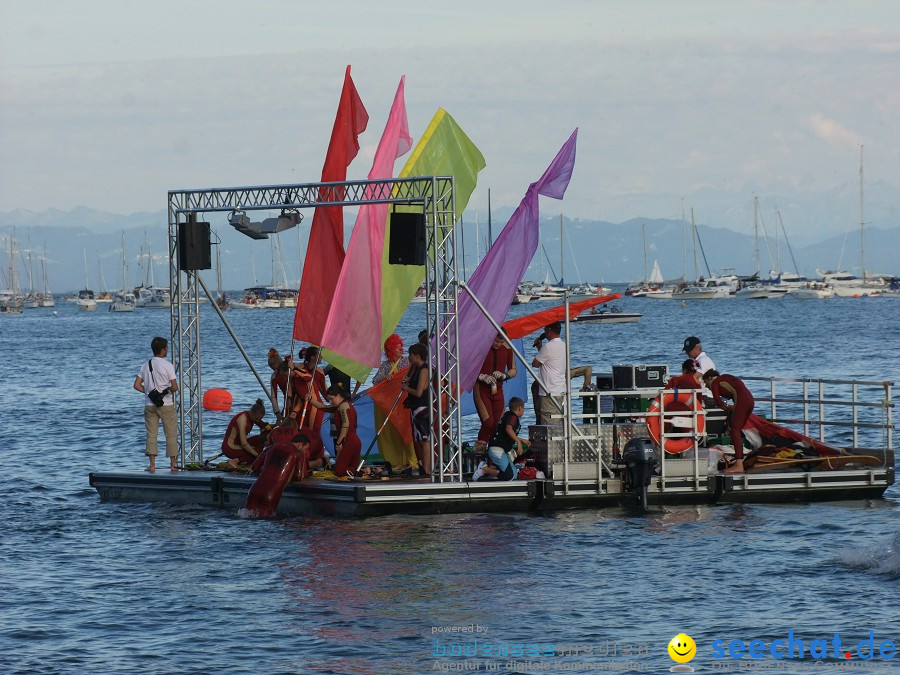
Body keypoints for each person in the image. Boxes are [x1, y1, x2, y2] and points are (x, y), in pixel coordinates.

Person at [372, 334, 418, 474]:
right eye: (398, 347)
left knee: (406, 431)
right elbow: (375, 381)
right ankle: (397, 462)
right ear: (391, 349)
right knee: (392, 434)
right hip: (390, 404)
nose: (401, 349)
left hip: (403, 403)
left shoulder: (406, 362)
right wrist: (385, 379)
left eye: (401, 346)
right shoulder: (386, 365)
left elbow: (413, 376)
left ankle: (412, 461)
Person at [133, 336, 179, 473]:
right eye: (167, 348)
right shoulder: (168, 365)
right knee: (170, 434)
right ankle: (173, 464)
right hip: (166, 405)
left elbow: (136, 385)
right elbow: (175, 387)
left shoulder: (145, 365)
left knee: (151, 434)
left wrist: (148, 393)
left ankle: (152, 465)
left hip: (149, 405)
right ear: (163, 350)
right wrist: (166, 391)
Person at [702, 370, 755, 474]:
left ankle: (739, 466)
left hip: (742, 400)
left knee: (734, 431)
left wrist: (726, 408)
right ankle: (739, 460)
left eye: (705, 382)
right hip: (750, 400)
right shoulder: (725, 377)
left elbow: (718, 401)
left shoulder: (715, 382)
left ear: (709, 378)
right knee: (736, 431)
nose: (706, 386)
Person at [474, 331, 517, 449]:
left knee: (498, 424)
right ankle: (479, 452)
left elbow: (513, 370)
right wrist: (482, 376)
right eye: (496, 341)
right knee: (488, 423)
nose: (498, 344)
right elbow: (469, 368)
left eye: (501, 342)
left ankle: (492, 454)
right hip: (481, 388)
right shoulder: (482, 347)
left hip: (498, 388)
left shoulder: (508, 348)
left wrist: (504, 376)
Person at [289, 346, 329, 466]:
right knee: (302, 435)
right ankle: (305, 459)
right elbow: (299, 394)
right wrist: (294, 410)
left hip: (315, 408)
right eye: (319, 355)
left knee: (314, 435)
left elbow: (326, 393)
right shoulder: (299, 371)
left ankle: (318, 460)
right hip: (302, 408)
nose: (322, 357)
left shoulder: (319, 372)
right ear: (313, 357)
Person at [310, 385, 362, 477]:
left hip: (349, 441)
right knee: (351, 469)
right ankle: (363, 471)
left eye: (331, 399)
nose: (330, 401)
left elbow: (346, 424)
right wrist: (310, 399)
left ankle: (364, 471)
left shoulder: (343, 406)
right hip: (355, 441)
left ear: (338, 395)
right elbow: (323, 407)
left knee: (339, 470)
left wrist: (339, 443)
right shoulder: (340, 406)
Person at [482, 397, 530, 481]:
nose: (523, 411)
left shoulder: (507, 416)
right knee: (509, 476)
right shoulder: (513, 417)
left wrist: (522, 440)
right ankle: (485, 469)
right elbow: (508, 429)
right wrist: (518, 442)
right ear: (520, 408)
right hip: (497, 449)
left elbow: (506, 434)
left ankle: (497, 472)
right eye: (523, 408)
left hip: (500, 449)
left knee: (514, 475)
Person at [402, 342, 431, 476]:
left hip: (421, 408)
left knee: (424, 440)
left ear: (417, 356)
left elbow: (419, 392)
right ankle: (423, 467)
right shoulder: (415, 369)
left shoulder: (424, 369)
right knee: (419, 439)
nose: (409, 358)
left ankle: (427, 469)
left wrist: (406, 388)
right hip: (415, 407)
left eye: (410, 355)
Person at [532, 322, 567, 425]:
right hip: (561, 389)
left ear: (549, 331)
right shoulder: (564, 345)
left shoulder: (547, 347)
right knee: (561, 422)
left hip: (548, 392)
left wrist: (540, 348)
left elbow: (535, 363)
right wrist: (540, 348)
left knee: (549, 424)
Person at [222, 398, 268, 467]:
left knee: (260, 439)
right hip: (230, 447)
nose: (258, 421)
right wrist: (258, 455)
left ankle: (245, 460)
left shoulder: (253, 417)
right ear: (252, 413)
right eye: (257, 419)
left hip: (239, 444)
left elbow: (264, 426)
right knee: (257, 452)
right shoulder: (242, 420)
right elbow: (244, 443)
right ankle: (235, 461)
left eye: (260, 419)